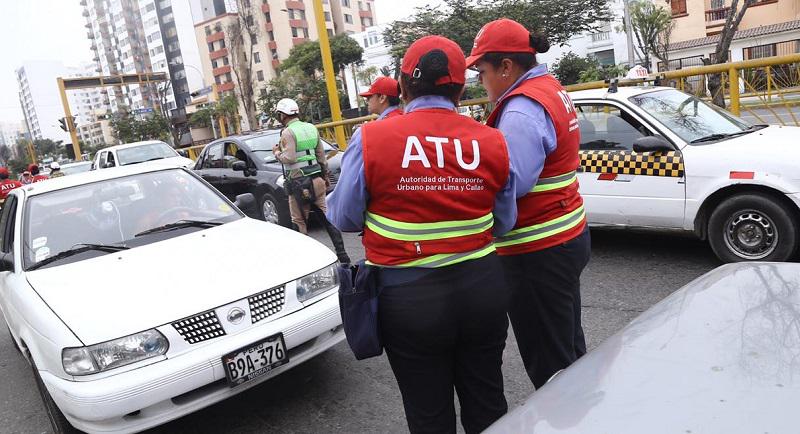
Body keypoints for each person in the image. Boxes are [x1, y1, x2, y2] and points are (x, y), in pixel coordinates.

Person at [327, 35, 518, 433]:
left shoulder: (372, 139)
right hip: (483, 288)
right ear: (461, 87)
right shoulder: (492, 139)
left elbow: (343, 217)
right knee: (488, 401)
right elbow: (505, 222)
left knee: (428, 411)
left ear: (403, 85)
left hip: (409, 299)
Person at [466, 18, 591, 389]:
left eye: (482, 71)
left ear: (506, 66)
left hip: (538, 251)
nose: (480, 81)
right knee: (569, 347)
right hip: (566, 234)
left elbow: (510, 184)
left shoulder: (520, 110)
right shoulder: (549, 88)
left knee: (550, 364)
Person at [272, 98, 351, 265]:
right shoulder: (310, 128)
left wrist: (277, 153)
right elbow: (321, 157)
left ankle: (306, 262)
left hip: (299, 183)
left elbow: (290, 157)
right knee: (327, 218)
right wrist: (324, 177)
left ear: (282, 115)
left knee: (299, 222)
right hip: (317, 181)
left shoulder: (287, 133)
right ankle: (343, 255)